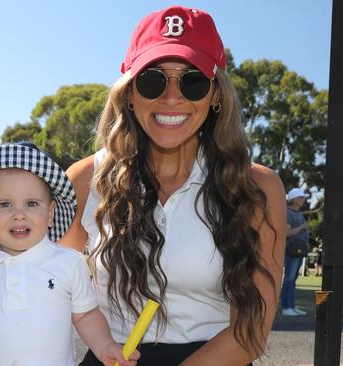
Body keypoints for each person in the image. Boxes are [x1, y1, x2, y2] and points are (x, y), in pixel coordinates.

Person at [59, 6, 286, 366]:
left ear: (215, 96)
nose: (172, 97)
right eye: (153, 80)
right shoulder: (85, 181)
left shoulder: (257, 186)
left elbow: (253, 328)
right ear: (130, 93)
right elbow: (51, 292)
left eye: (192, 80)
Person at [0, 143, 139, 365]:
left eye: (31, 203)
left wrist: (105, 346)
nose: (19, 214)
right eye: (5, 204)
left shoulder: (68, 262)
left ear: (50, 212)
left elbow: (85, 315)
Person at [280, 187, 310, 316]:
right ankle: (286, 307)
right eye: (301, 197)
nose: (303, 199)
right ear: (294, 199)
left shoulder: (298, 214)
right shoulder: (289, 213)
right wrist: (302, 227)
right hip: (291, 250)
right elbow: (287, 233)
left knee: (293, 279)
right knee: (289, 278)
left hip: (298, 251)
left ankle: (291, 306)